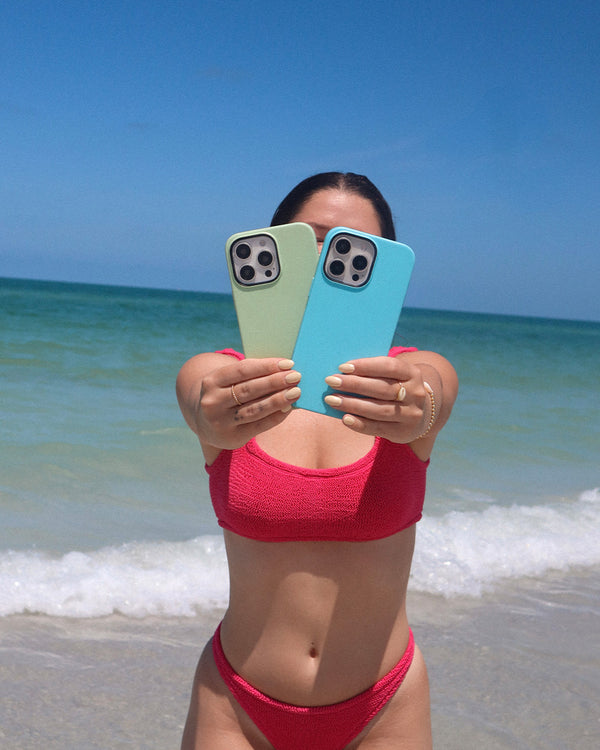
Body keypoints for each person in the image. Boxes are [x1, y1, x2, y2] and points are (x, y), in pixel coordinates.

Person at [176, 172, 458, 749]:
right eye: (315, 245)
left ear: (388, 271)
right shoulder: (222, 378)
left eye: (357, 252)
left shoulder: (409, 378)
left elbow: (434, 393)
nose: (334, 267)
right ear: (277, 251)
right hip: (236, 706)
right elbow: (200, 400)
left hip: (386, 707)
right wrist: (209, 418)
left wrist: (420, 408)